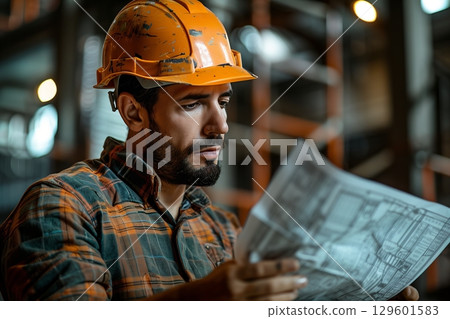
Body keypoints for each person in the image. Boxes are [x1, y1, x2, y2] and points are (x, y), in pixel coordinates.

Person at [0, 0, 417, 301]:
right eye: (194, 103)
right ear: (134, 112)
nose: (219, 126)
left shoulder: (224, 229)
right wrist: (201, 303)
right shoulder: (64, 205)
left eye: (224, 101)